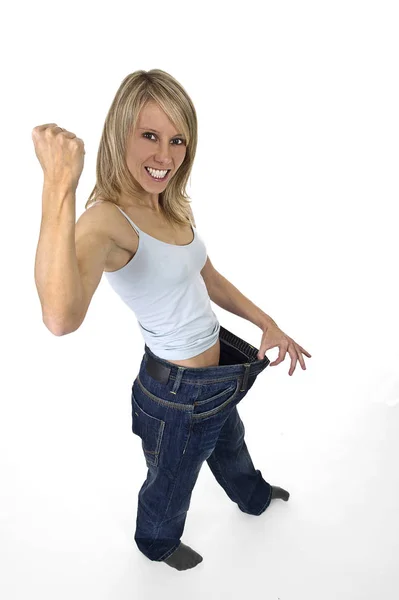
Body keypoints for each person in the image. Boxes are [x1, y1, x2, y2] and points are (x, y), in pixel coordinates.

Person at [33, 69, 311, 571]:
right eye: (150, 136)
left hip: (220, 375)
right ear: (121, 134)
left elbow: (207, 275)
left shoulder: (169, 204)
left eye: (178, 139)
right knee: (172, 480)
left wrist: (266, 321)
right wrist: (59, 186)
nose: (165, 155)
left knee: (231, 445)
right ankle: (155, 543)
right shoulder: (106, 220)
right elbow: (60, 317)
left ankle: (252, 496)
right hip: (177, 396)